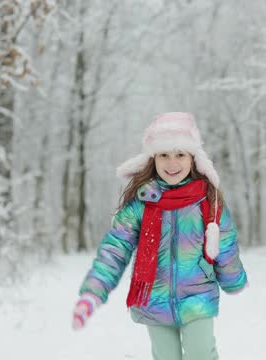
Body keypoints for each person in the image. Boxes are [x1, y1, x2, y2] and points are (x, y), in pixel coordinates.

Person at [71, 112, 248, 360]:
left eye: (180, 154)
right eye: (164, 154)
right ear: (153, 158)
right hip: (154, 297)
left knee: (201, 353)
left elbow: (225, 243)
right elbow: (115, 248)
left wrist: (233, 279)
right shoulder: (142, 202)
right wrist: (93, 292)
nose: (172, 163)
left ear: (193, 158)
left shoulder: (207, 200)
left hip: (197, 296)